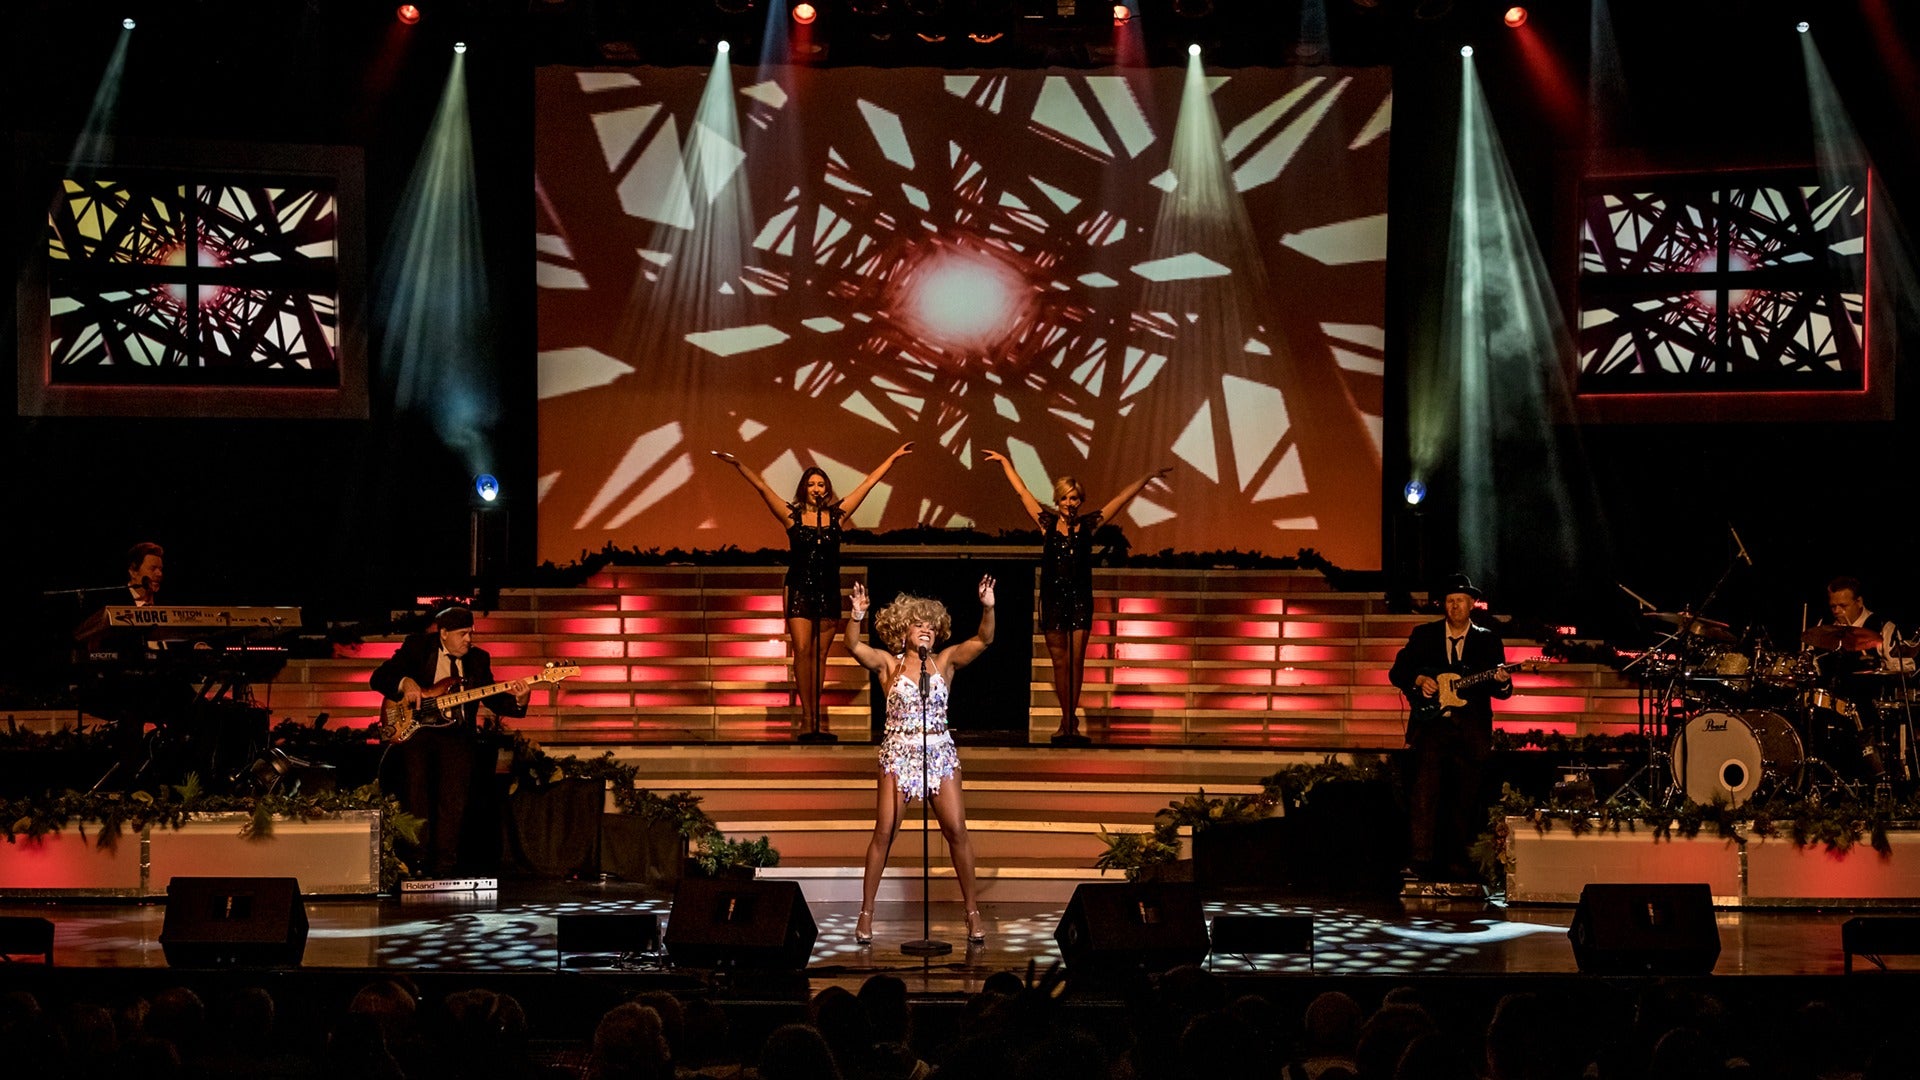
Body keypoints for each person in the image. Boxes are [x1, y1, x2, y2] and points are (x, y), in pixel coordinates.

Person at [713, 444, 914, 742]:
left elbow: (869, 483)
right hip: (799, 588)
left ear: (827, 489)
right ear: (803, 489)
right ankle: (806, 718)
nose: (816, 488)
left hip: (828, 589)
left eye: (821, 484)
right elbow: (761, 487)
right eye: (811, 483)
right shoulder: (791, 516)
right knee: (803, 652)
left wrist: (892, 458)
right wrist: (738, 463)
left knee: (820, 656)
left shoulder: (836, 517)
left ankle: (817, 718)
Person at [844, 575, 995, 946]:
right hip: (898, 754)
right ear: (903, 629)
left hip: (940, 753)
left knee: (957, 830)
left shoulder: (944, 662)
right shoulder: (887, 665)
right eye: (918, 624)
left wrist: (988, 608)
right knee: (884, 831)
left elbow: (983, 640)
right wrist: (856, 616)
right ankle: (866, 914)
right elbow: (852, 646)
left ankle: (972, 912)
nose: (926, 630)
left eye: (930, 626)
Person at [980, 451, 1170, 745]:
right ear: (1058, 500)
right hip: (1054, 597)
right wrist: (1006, 462)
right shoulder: (1046, 523)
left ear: (1081, 501)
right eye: (1066, 498)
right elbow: (1022, 493)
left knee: (1077, 661)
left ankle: (1071, 721)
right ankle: (1065, 720)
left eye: (1075, 498)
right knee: (1060, 662)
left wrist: (1145, 478)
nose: (1070, 503)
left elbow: (1119, 500)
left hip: (1080, 597)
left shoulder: (1088, 525)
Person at [370, 605, 530, 877]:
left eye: (471, 633)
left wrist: (519, 700)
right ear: (443, 633)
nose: (469, 639)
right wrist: (406, 682)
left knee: (453, 801)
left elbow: (490, 696)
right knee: (416, 796)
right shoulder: (418, 647)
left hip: (457, 737)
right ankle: (416, 862)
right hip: (418, 733)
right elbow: (379, 677)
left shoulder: (478, 659)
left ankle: (445, 865)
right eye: (463, 634)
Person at [1387, 573, 1512, 882]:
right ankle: (1419, 861)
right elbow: (1398, 671)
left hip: (1471, 731)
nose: (1455, 607)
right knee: (1424, 795)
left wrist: (1504, 681)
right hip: (1432, 728)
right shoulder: (1424, 635)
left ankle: (1461, 862)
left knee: (1466, 799)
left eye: (1460, 601)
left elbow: (1501, 690)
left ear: (1472, 605)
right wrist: (1419, 680)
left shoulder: (1488, 640)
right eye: (1450, 601)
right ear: (1444, 605)